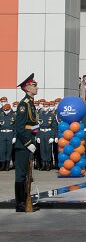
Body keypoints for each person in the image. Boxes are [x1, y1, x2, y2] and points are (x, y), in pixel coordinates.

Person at [13, 73, 40, 212]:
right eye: (34, 85)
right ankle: (20, 203)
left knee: (28, 173)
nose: (37, 87)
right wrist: (28, 142)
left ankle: (26, 199)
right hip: (23, 144)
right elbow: (19, 126)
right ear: (27, 87)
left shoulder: (31, 104)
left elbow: (31, 124)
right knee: (21, 174)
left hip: (29, 142)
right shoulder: (24, 104)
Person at [0, 104, 15, 171]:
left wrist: (14, 136)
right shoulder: (1, 115)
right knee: (2, 150)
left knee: (9, 150)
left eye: (6, 110)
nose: (5, 111)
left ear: (9, 109)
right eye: (4, 110)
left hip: (10, 134)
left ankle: (7, 165)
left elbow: (16, 128)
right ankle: (2, 165)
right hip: (2, 134)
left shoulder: (14, 116)